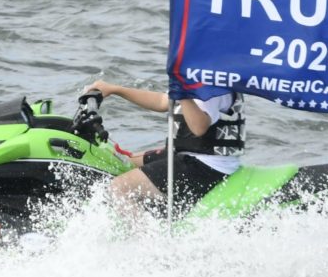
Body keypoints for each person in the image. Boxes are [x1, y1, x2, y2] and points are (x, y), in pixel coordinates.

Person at [83, 78, 244, 213]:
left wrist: (183, 93)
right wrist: (114, 89)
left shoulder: (214, 85)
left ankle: (146, 244)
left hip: (207, 167)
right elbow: (161, 101)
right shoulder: (196, 78)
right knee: (124, 161)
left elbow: (199, 127)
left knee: (120, 187)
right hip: (188, 156)